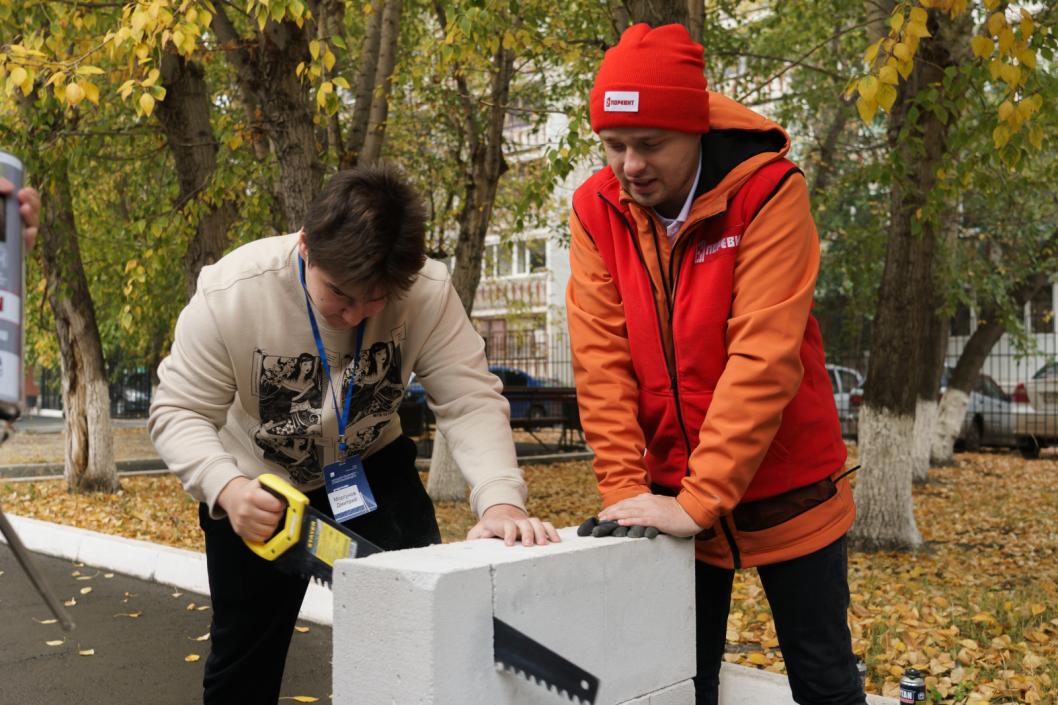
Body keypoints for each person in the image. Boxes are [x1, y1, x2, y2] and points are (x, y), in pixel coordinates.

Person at [149, 166, 560, 705]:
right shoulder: (231, 293)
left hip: (371, 468)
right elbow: (177, 410)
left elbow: (469, 400)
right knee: (242, 666)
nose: (353, 313)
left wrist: (500, 500)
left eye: (376, 300)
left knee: (422, 638)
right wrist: (224, 488)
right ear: (305, 247)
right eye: (339, 294)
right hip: (257, 487)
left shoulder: (429, 292)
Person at [566, 24, 864, 705]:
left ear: (694, 129)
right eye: (614, 146)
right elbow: (601, 361)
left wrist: (705, 499)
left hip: (788, 482)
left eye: (650, 144)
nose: (630, 165)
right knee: (678, 679)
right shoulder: (595, 209)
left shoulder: (766, 191)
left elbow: (764, 354)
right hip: (669, 492)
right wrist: (624, 495)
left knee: (822, 676)